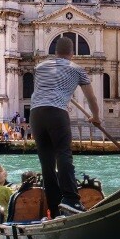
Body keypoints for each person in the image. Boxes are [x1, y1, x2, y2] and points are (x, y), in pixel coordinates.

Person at [30, 37, 101, 217]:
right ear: (72, 53)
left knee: (46, 162)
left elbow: (43, 90)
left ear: (55, 52)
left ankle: (54, 208)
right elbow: (91, 98)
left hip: (36, 114)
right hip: (56, 112)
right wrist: (96, 117)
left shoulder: (39, 68)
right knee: (63, 154)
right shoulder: (77, 70)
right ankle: (70, 200)